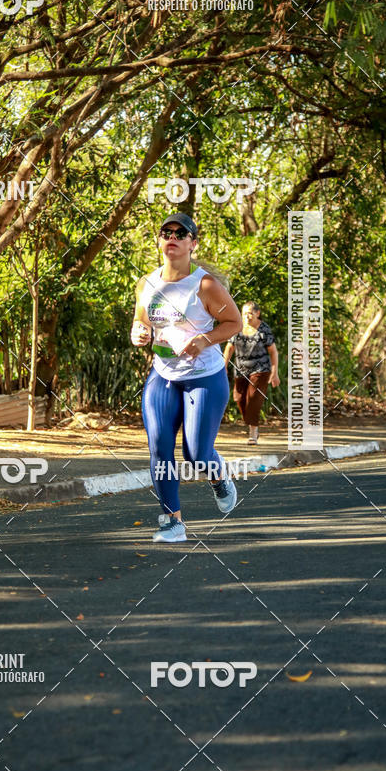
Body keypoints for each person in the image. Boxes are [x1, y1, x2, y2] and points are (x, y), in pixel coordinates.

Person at [131, 213, 243, 543]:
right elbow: (141, 324)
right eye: (167, 232)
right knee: (159, 448)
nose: (173, 236)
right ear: (159, 240)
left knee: (196, 454)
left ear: (193, 244)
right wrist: (138, 335)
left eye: (182, 233)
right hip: (163, 376)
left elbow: (234, 324)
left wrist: (204, 340)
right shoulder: (147, 283)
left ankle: (219, 476)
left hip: (204, 376)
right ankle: (172, 520)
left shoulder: (205, 285)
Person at [223, 302, 279, 444]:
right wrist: (223, 367)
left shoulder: (264, 329)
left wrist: (275, 372)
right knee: (238, 398)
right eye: (244, 313)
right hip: (240, 369)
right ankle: (251, 422)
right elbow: (230, 348)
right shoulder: (237, 327)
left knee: (253, 397)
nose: (247, 316)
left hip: (261, 369)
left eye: (250, 313)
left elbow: (273, 351)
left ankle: (253, 432)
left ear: (257, 313)